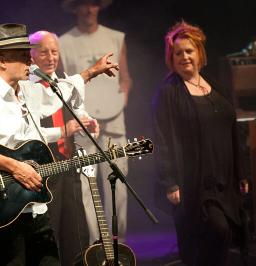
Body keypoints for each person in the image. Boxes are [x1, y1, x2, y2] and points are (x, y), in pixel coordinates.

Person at [0, 23, 118, 266]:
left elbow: (57, 93)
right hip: (3, 207)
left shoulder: (28, 90)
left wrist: (92, 72)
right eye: (21, 54)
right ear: (0, 60)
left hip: (34, 204)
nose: (29, 59)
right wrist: (14, 167)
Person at [152, 21, 249, 266]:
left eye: (189, 51)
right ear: (171, 58)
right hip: (194, 182)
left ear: (199, 54)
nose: (184, 57)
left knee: (226, 234)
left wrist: (242, 173)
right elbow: (161, 138)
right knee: (217, 230)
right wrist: (170, 181)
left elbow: (233, 128)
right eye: (178, 53)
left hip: (224, 177)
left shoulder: (214, 85)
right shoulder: (168, 93)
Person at [59, 0, 132, 244]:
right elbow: (61, 87)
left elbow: (126, 79)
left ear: (99, 7)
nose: (88, 10)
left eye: (93, 4)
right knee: (87, 185)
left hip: (113, 121)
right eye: (83, 4)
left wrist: (119, 100)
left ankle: (117, 244)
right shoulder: (64, 42)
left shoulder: (115, 37)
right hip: (83, 122)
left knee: (118, 184)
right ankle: (93, 247)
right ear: (75, 8)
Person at [29, 30, 100, 265]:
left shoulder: (63, 84)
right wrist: (65, 130)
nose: (50, 57)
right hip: (45, 174)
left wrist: (87, 122)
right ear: (31, 56)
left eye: (54, 52)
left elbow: (77, 111)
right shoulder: (27, 89)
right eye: (44, 52)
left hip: (69, 167)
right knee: (50, 236)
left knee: (77, 232)